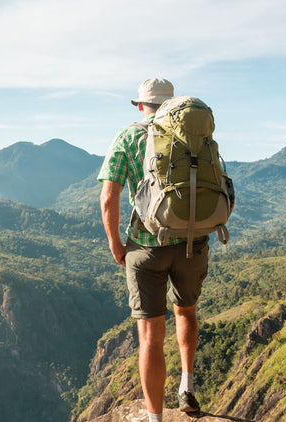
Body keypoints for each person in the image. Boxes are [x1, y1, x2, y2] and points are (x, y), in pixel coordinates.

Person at [97, 78, 209, 422]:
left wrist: (117, 244)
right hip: (192, 241)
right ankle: (186, 386)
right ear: (172, 104)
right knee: (186, 312)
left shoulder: (129, 136)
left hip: (146, 247)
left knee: (150, 337)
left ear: (140, 105)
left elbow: (108, 197)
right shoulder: (191, 134)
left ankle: (155, 418)